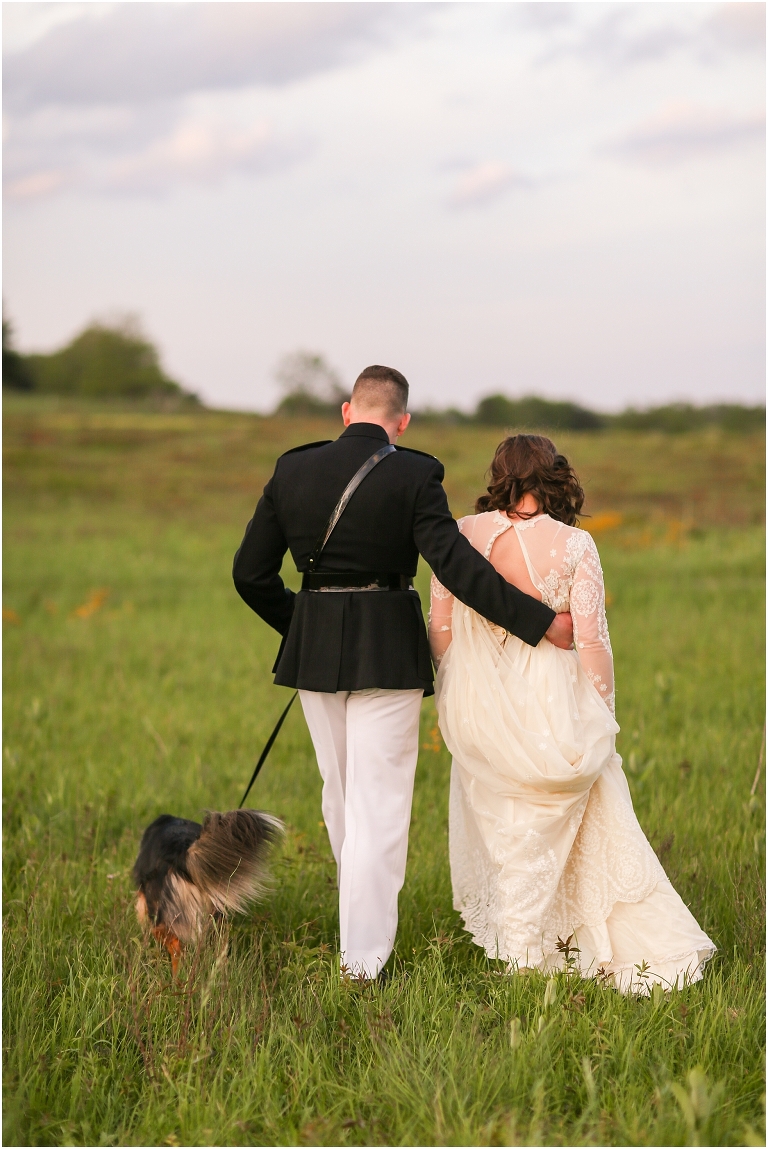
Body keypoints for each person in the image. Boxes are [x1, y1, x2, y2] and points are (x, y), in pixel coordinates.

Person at [233, 367, 573, 980]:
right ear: (402, 420)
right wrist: (540, 620)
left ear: (346, 411)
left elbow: (250, 575)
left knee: (340, 798)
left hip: (315, 655)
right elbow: (456, 567)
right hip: (386, 649)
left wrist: (306, 627)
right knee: (377, 806)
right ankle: (363, 962)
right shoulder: (417, 473)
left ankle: (358, 936)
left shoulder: (292, 469)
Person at [429, 434, 715, 993]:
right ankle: (548, 943)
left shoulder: (461, 534)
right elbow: (592, 643)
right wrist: (602, 713)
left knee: (504, 818)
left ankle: (522, 946)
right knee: (578, 813)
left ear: (499, 474)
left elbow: (440, 628)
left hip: (481, 700)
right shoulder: (576, 546)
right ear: (554, 474)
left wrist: (458, 692)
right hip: (552, 697)